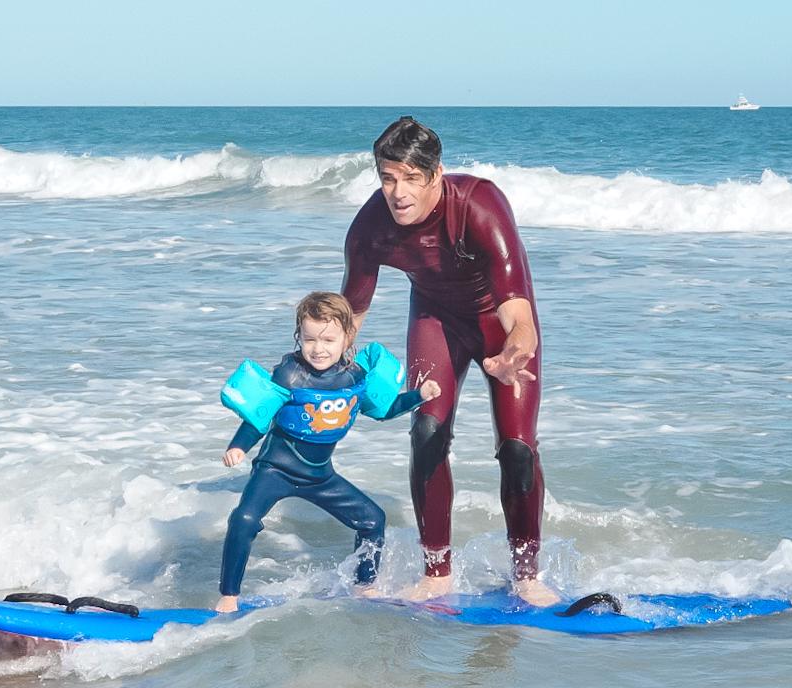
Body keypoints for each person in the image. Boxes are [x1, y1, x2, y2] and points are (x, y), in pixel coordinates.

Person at [342, 116, 559, 607]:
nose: (397, 192)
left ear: (436, 173)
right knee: (426, 432)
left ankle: (526, 574)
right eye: (387, 177)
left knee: (518, 448)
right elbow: (350, 313)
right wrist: (318, 373)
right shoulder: (371, 226)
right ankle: (436, 572)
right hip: (435, 320)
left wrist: (514, 351)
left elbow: (517, 309)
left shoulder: (479, 205)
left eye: (410, 178)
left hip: (498, 324)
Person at [215, 291, 441, 613]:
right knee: (244, 519)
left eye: (328, 340)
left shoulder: (353, 377)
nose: (318, 349)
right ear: (299, 337)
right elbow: (260, 416)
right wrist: (238, 446)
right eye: (309, 340)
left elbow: (383, 410)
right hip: (275, 470)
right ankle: (228, 596)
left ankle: (365, 587)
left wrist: (418, 395)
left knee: (372, 520)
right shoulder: (290, 375)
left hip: (320, 476)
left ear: (347, 338)